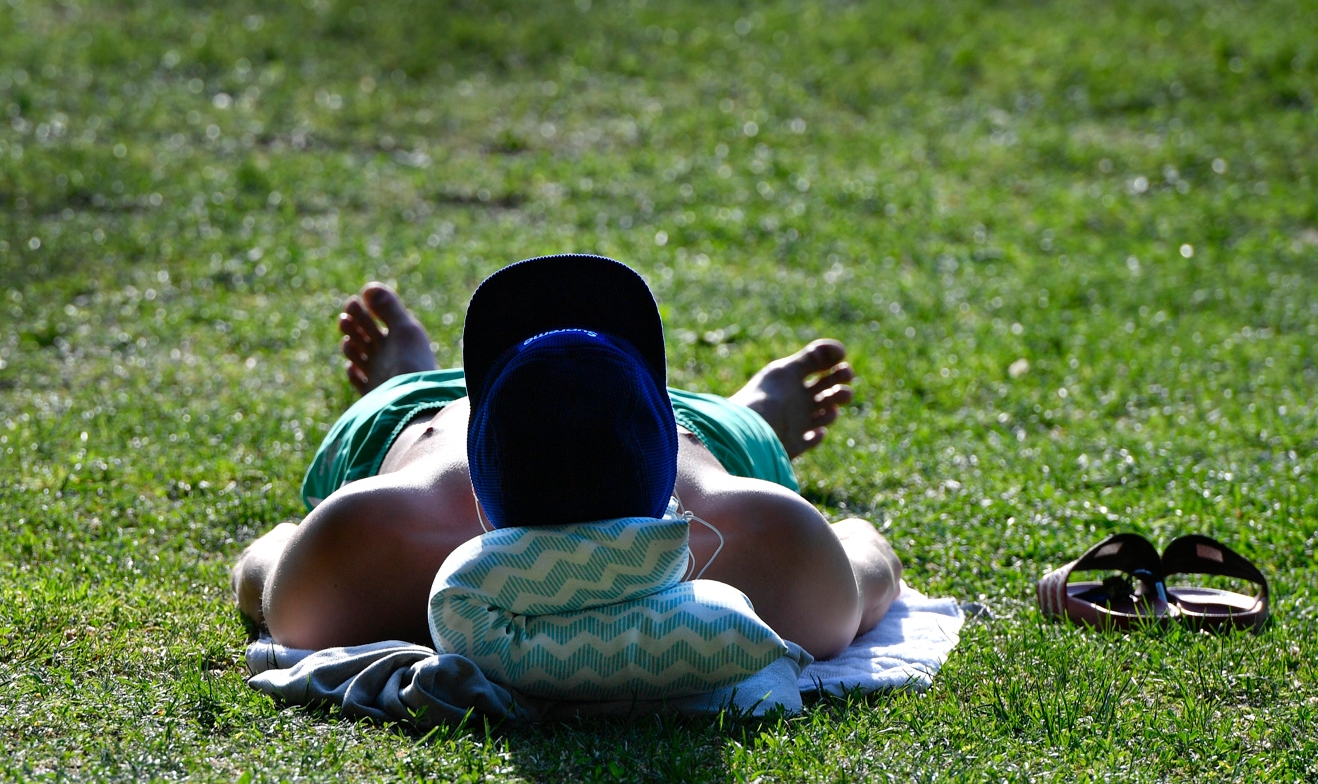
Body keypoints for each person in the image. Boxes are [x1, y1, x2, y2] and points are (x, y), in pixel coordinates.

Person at [232, 255, 903, 661]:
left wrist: (300, 550)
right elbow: (870, 560)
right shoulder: (763, 537)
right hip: (705, 441)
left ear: (478, 493)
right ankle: (750, 419)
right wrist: (835, 540)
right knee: (732, 440)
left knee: (408, 409)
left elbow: (261, 573)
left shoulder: (371, 536)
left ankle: (409, 378)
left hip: (421, 428)